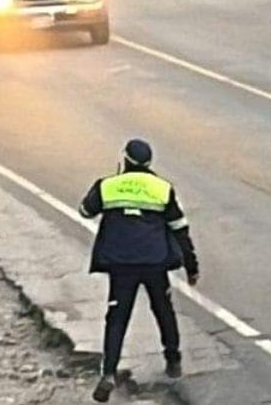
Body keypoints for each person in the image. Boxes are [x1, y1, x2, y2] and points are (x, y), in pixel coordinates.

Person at [79, 138, 199, 402]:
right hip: (154, 261)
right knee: (163, 310)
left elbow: (85, 211)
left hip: (121, 263)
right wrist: (191, 267)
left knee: (117, 317)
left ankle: (108, 373)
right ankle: (172, 359)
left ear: (125, 160)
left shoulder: (107, 185)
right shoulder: (162, 189)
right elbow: (180, 229)